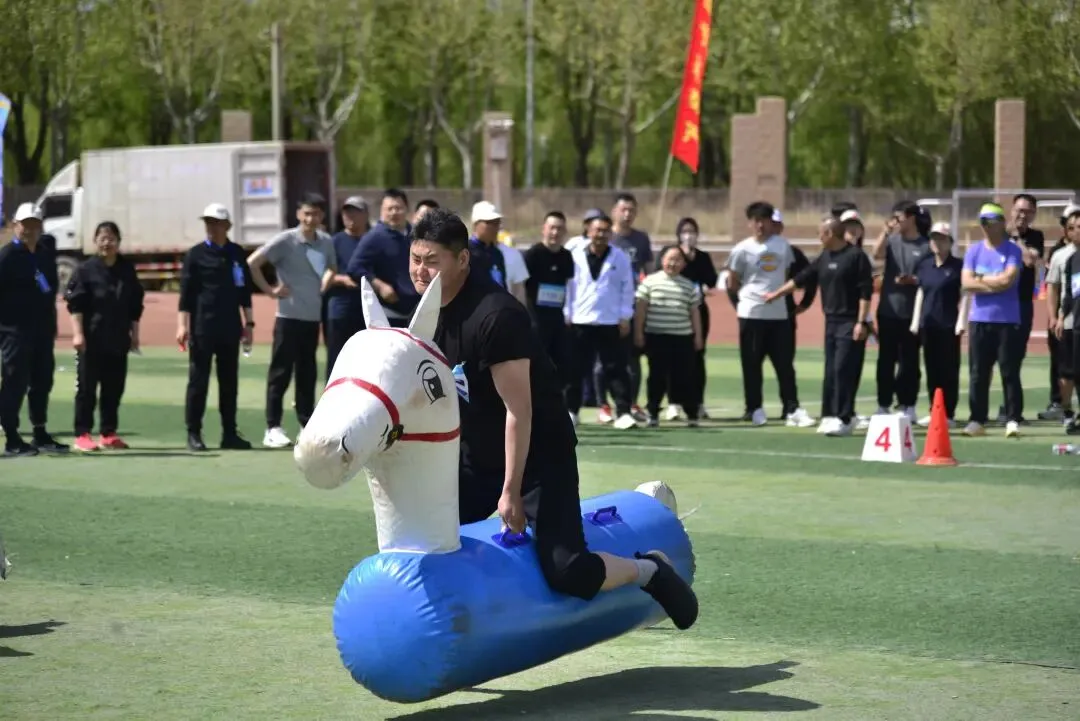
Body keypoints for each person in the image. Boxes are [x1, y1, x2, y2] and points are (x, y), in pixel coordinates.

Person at [409, 207, 698, 629]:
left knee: (568, 571)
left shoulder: (495, 316)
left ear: (462, 259)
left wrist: (509, 492)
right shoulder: (427, 313)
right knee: (428, 531)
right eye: (416, 259)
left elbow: (518, 411)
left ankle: (649, 569)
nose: (420, 270)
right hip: (478, 453)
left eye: (432, 261)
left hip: (540, 456)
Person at [765, 216, 873, 437]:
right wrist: (776, 294)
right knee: (831, 370)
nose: (818, 237)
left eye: (820, 233)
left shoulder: (856, 257)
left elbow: (865, 292)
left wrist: (861, 322)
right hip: (831, 321)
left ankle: (845, 417)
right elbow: (801, 278)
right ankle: (830, 415)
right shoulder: (824, 257)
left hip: (850, 321)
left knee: (844, 369)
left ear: (830, 234)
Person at [248, 192, 337, 449]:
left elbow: (332, 266)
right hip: (287, 317)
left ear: (322, 216)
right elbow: (253, 262)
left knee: (307, 374)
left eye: (316, 214)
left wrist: (326, 280)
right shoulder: (286, 240)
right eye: (306, 213)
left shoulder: (325, 241)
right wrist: (270, 290)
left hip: (311, 318)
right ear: (299, 214)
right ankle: (272, 426)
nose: (311, 218)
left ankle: (306, 424)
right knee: (280, 373)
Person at [726, 202, 814, 428]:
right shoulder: (741, 249)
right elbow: (733, 282)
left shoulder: (783, 246)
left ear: (770, 222)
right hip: (751, 313)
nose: (760, 225)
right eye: (755, 220)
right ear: (749, 223)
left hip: (779, 315)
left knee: (784, 364)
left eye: (763, 220)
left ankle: (792, 407)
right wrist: (743, 304)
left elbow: (786, 275)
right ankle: (754, 408)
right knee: (752, 364)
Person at [178, 203, 255, 452]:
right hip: (202, 327)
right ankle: (194, 433)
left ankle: (229, 433)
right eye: (208, 223)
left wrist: (249, 323)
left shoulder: (236, 253)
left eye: (216, 223)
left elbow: (244, 292)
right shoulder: (195, 255)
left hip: (230, 326)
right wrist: (182, 326)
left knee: (229, 382)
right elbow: (186, 295)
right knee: (198, 381)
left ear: (227, 226)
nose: (211, 227)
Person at [64, 221, 145, 451]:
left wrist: (134, 335)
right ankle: (82, 434)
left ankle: (108, 433)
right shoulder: (85, 270)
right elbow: (75, 304)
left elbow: (134, 306)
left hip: (118, 339)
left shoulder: (126, 270)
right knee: (87, 389)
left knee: (114, 388)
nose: (107, 242)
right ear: (95, 241)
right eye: (102, 237)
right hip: (91, 340)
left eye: (111, 238)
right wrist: (78, 334)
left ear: (119, 242)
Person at [0, 202, 69, 456]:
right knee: (14, 382)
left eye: (34, 224)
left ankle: (40, 432)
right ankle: (12, 437)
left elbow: (48, 289)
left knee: (42, 381)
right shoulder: (6, 257)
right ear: (15, 226)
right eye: (24, 224)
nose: (29, 229)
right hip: (14, 332)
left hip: (41, 331)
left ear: (40, 227)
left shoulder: (44, 254)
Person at [564, 213, 638, 430]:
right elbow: (568, 285)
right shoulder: (574, 254)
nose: (601, 234)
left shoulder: (620, 257)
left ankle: (623, 412)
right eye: (597, 230)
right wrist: (566, 312)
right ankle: (571, 411)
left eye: (606, 230)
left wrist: (625, 316)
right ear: (588, 231)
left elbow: (628, 287)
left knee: (616, 368)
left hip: (610, 320)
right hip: (579, 319)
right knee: (574, 369)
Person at [959, 203, 1025, 438]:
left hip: (1007, 320)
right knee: (978, 372)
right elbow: (966, 283)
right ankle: (977, 419)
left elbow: (1007, 281)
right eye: (983, 223)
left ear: (1000, 223)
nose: (986, 227)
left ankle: (1013, 418)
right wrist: (992, 281)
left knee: (1009, 371)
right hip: (979, 319)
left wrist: (981, 279)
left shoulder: (1013, 251)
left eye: (990, 222)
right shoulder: (973, 251)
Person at [870, 200, 929, 422]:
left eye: (900, 217)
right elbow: (876, 254)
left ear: (911, 218)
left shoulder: (925, 245)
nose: (896, 222)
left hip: (912, 314)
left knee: (910, 362)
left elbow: (928, 275)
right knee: (885, 360)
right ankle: (883, 404)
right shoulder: (892, 241)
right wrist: (885, 231)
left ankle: (908, 405)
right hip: (888, 310)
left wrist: (913, 280)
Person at [633, 246, 703, 427]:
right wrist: (639, 332)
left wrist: (698, 337)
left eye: (678, 259)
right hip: (657, 337)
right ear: (662, 260)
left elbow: (694, 313)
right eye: (669, 258)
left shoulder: (688, 285)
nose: (673, 263)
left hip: (682, 338)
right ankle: (653, 412)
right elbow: (641, 309)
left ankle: (691, 413)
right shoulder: (649, 282)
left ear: (684, 264)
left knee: (685, 377)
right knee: (656, 376)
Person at [909, 223, 966, 427]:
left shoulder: (958, 266)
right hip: (928, 325)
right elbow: (921, 292)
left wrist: (961, 321)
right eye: (934, 239)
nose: (936, 243)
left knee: (949, 371)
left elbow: (966, 294)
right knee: (932, 370)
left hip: (949, 326)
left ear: (950, 242)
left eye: (941, 239)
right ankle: (935, 410)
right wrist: (916, 321)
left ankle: (948, 413)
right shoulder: (925, 265)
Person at [604, 193, 652, 421]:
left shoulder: (641, 239)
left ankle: (631, 403)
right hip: (605, 307)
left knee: (633, 358)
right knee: (602, 359)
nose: (627, 214)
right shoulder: (606, 237)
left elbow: (649, 271)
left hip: (631, 306)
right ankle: (604, 405)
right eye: (623, 209)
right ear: (614, 211)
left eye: (631, 210)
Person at [997, 193, 1045, 423]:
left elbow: (1029, 259)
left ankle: (1012, 409)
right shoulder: (999, 234)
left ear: (1033, 214)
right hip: (998, 303)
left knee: (1015, 357)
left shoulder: (1035, 237)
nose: (1022, 215)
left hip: (1021, 305)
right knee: (995, 358)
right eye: (1018, 210)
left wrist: (1016, 239)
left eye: (1027, 211)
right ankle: (999, 407)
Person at [667, 216, 718, 422]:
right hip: (674, 311)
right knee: (672, 358)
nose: (689, 235)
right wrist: (682, 257)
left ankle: (698, 402)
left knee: (697, 357)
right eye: (685, 231)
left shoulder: (703, 257)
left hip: (697, 310)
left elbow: (711, 280)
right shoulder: (672, 254)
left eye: (692, 231)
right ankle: (673, 403)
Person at [346, 188, 419, 329]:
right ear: (382, 211)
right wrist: (379, 285)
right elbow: (354, 268)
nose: (394, 213)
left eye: (398, 208)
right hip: (388, 314)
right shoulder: (374, 237)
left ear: (407, 209)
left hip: (417, 312)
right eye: (389, 208)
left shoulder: (417, 234)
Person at [523, 211, 574, 394]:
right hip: (536, 321)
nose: (555, 232)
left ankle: (560, 407)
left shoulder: (567, 256)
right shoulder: (532, 255)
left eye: (560, 228)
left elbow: (569, 286)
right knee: (535, 365)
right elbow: (521, 287)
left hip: (558, 320)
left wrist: (569, 314)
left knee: (563, 364)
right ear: (543, 229)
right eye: (552, 228)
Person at [324, 196, 370, 380]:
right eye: (346, 211)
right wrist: (341, 279)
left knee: (366, 362)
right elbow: (322, 274)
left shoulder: (372, 240)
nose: (349, 215)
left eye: (355, 211)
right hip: (340, 309)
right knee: (336, 360)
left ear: (365, 215)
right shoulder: (334, 242)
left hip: (367, 311)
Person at [1047, 206, 1080, 433]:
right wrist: (1057, 317)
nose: (1077, 231)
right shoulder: (1066, 258)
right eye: (1072, 228)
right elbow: (1062, 291)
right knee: (1067, 373)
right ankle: (1067, 411)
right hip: (1071, 324)